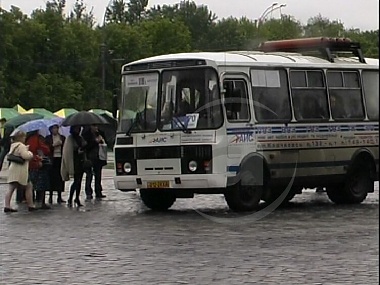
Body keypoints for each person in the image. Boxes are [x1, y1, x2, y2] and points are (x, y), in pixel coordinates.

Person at [4, 130, 37, 212]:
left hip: (13, 169)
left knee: (11, 188)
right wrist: (29, 152)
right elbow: (26, 156)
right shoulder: (21, 146)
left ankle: (7, 205)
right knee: (29, 186)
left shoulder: (13, 145)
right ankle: (31, 205)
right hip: (20, 170)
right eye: (24, 137)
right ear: (21, 137)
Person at [61, 126, 87, 207]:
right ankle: (70, 198)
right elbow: (68, 151)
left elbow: (84, 145)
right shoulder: (70, 138)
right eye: (76, 128)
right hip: (74, 161)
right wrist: (77, 151)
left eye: (79, 129)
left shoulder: (80, 137)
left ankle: (77, 198)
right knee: (76, 181)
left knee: (79, 181)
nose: (78, 130)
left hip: (81, 161)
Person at [27, 131, 52, 210]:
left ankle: (35, 201)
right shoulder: (36, 139)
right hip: (37, 164)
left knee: (33, 184)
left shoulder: (29, 139)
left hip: (32, 165)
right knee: (40, 184)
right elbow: (44, 149)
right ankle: (40, 202)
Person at [82, 125, 107, 200]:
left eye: (96, 126)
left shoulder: (100, 133)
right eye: (94, 126)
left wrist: (101, 140)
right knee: (89, 175)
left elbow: (105, 143)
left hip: (99, 157)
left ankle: (98, 191)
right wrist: (95, 142)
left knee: (98, 176)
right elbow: (86, 146)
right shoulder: (86, 135)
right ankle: (88, 192)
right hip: (90, 157)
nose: (96, 128)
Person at [45, 124, 66, 204]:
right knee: (51, 177)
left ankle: (59, 196)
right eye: (53, 128)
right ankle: (50, 196)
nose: (55, 130)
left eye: (56, 128)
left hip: (60, 158)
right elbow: (46, 149)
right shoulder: (48, 138)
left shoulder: (62, 137)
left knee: (60, 177)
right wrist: (53, 145)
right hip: (52, 159)